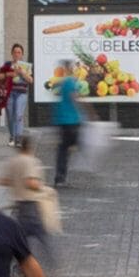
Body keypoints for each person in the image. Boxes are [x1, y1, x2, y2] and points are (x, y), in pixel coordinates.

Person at [45, 60, 87, 192]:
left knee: (64, 148)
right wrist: (88, 111)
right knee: (70, 146)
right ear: (70, 69)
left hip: (63, 120)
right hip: (70, 121)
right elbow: (74, 98)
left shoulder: (62, 83)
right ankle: (61, 177)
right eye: (73, 68)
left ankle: (60, 178)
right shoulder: (69, 82)